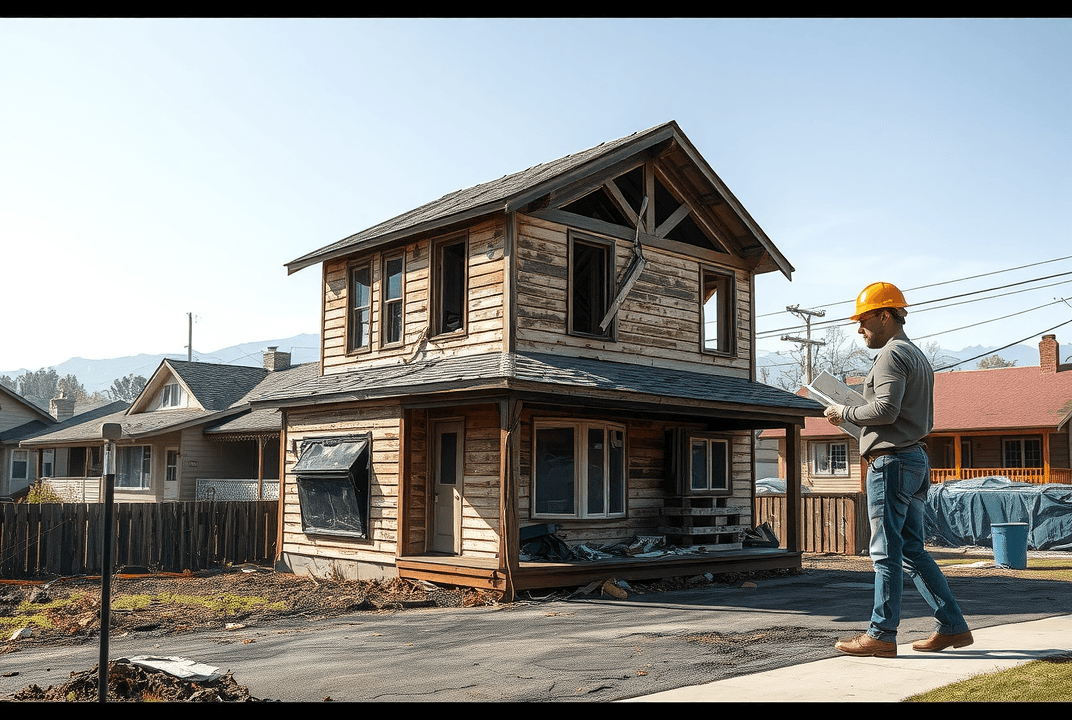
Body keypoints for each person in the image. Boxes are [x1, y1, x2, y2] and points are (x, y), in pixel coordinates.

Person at [824, 281, 972, 658]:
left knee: (885, 551)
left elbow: (885, 411)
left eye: (864, 319)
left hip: (890, 463)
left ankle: (881, 634)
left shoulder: (891, 354)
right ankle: (952, 626)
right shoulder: (917, 354)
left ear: (886, 315)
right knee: (911, 549)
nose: (860, 329)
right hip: (914, 459)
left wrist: (844, 412)